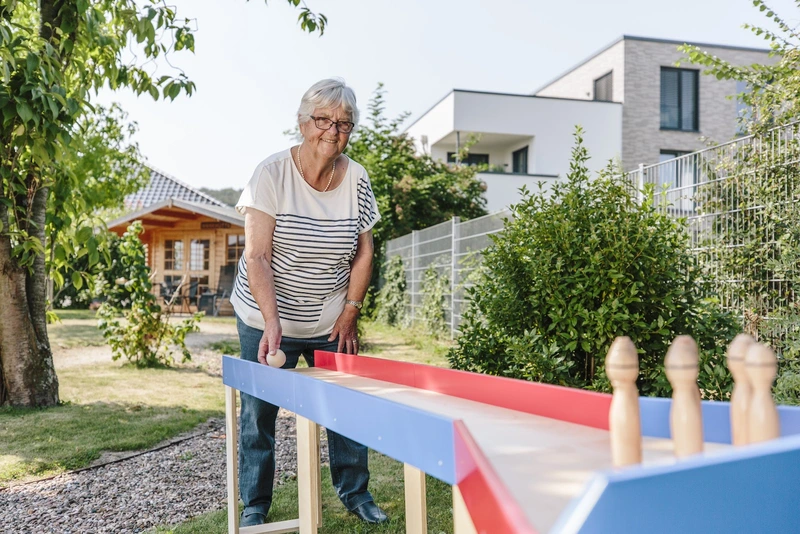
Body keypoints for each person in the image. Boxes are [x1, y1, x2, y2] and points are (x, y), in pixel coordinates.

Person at [230, 78, 388, 527]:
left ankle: (356, 493)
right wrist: (272, 322)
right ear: (302, 124)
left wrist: (352, 310)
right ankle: (256, 504)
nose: (332, 131)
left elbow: (365, 251)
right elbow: (257, 256)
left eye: (343, 123)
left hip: (329, 316)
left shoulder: (356, 178)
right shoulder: (271, 173)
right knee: (259, 412)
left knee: (345, 407)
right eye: (322, 120)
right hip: (266, 313)